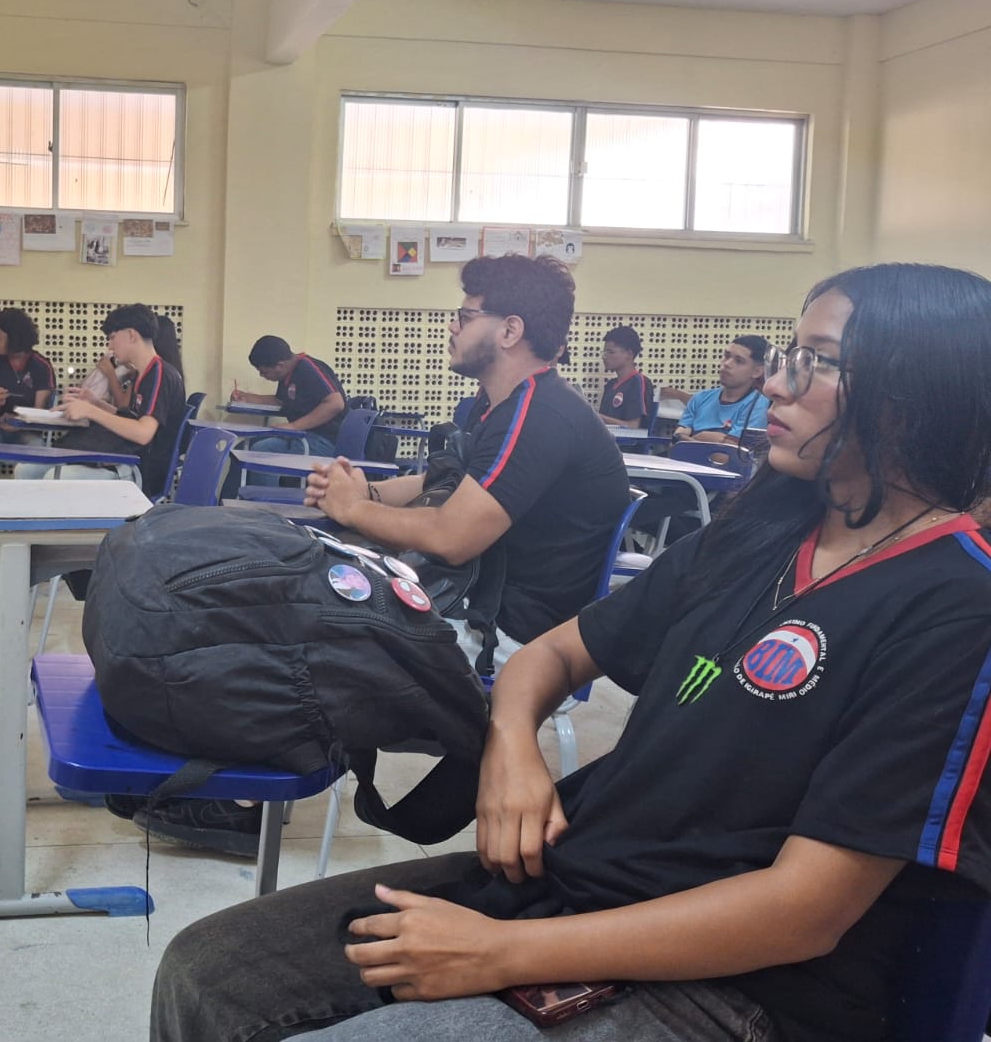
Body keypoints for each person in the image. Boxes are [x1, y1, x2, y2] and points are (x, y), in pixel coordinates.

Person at [151, 262, 991, 1042]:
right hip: (578, 882)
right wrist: (512, 746)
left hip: (736, 984)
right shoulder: (767, 530)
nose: (776, 382)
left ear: (907, 401)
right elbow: (551, 655)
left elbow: (804, 911)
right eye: (787, 356)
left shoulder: (956, 605)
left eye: (815, 363)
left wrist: (500, 955)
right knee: (206, 973)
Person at [128, 255, 629, 855]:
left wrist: (354, 511)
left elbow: (453, 535)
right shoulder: (493, 408)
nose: (453, 325)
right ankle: (206, 770)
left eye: (465, 315)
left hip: (511, 639)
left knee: (290, 625)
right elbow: (435, 485)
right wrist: (359, 490)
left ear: (510, 330)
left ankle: (237, 803)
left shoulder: (540, 414)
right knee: (269, 592)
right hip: (463, 599)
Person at [13, 303, 186, 491]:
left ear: (131, 335)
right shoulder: (144, 373)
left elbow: (142, 433)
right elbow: (130, 419)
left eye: (112, 338)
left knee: (56, 478)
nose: (110, 346)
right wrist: (96, 403)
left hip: (139, 470)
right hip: (124, 458)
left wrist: (91, 411)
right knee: (26, 471)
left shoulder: (160, 375)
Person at [230, 336, 348, 486]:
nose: (263, 376)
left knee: (263, 454)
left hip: (324, 441)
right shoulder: (288, 374)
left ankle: (265, 505)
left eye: (265, 373)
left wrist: (294, 426)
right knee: (246, 449)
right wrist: (247, 397)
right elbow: (281, 401)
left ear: (280, 365)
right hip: (304, 436)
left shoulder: (308, 369)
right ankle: (235, 501)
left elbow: (335, 403)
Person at [0, 308, 55, 479]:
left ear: (15, 339)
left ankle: (29, 500)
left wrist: (18, 423)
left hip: (28, 429)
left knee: (36, 448)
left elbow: (40, 416)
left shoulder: (41, 366)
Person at [672, 336, 771, 444]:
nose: (727, 364)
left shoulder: (758, 405)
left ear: (757, 371)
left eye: (739, 361)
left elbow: (729, 454)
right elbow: (676, 441)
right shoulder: (700, 398)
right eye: (726, 356)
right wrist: (719, 439)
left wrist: (692, 440)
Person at [597, 325, 655, 429]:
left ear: (629, 354)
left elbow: (633, 426)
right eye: (604, 352)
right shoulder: (610, 385)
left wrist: (596, 416)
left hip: (625, 445)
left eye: (610, 352)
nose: (604, 357)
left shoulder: (638, 382)